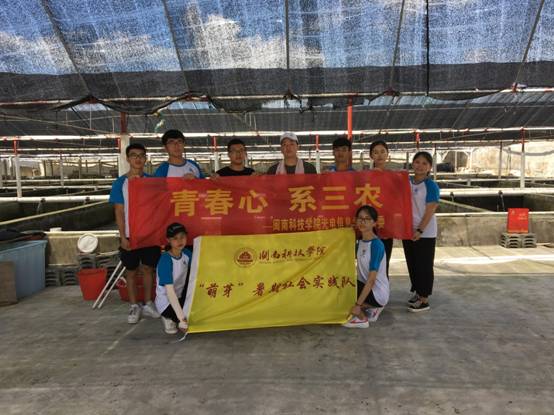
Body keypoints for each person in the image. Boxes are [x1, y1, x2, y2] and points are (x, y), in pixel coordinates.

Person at [109, 143, 161, 324]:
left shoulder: (152, 182)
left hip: (149, 234)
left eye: (141, 155)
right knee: (131, 271)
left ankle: (148, 302)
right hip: (130, 234)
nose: (138, 159)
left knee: (148, 269)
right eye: (134, 155)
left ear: (146, 159)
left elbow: (160, 206)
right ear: (128, 158)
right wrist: (123, 237)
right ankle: (133, 305)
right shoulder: (120, 183)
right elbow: (119, 212)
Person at [402, 151, 440, 313]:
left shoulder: (431, 185)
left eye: (425, 163)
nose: (420, 166)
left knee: (424, 265)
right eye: (417, 162)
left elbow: (430, 209)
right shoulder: (407, 183)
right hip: (408, 231)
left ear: (430, 167)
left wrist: (420, 229)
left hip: (425, 232)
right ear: (412, 164)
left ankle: (424, 299)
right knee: (413, 263)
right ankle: (418, 292)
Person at [343, 205, 390, 328]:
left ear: (374, 223)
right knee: (342, 283)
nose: (362, 222)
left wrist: (357, 305)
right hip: (367, 288)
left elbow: (371, 280)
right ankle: (372, 309)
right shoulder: (360, 242)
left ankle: (362, 318)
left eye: (367, 219)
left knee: (346, 289)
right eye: (360, 218)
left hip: (377, 293)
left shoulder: (376, 245)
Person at [155, 223, 192, 334]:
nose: (179, 241)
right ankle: (167, 317)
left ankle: (177, 315)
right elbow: (170, 292)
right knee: (188, 321)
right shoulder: (165, 260)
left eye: (182, 237)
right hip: (166, 302)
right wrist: (181, 319)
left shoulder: (186, 254)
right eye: (175, 238)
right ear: (168, 240)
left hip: (180, 297)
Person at [369, 140, 393, 277]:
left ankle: (383, 288)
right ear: (371, 156)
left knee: (384, 261)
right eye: (376, 152)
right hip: (369, 225)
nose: (379, 155)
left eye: (383, 152)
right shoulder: (365, 176)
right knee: (369, 262)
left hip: (387, 224)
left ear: (387, 154)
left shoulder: (393, 176)